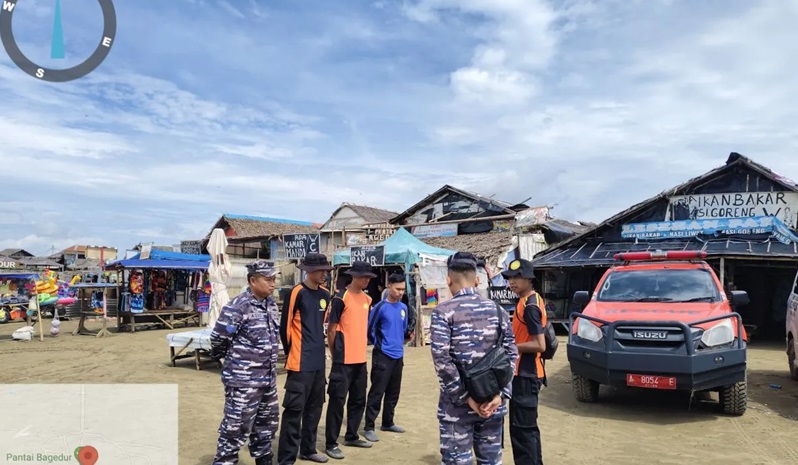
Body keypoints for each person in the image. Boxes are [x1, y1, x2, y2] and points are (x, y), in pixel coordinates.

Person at [430, 252, 518, 465]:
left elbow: (442, 360)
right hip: (493, 403)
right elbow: (512, 354)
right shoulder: (499, 311)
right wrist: (501, 395)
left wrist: (466, 398)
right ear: (477, 280)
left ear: (448, 280)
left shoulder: (443, 312)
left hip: (457, 408)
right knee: (491, 461)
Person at [210, 260, 281, 465]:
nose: (273, 284)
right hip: (243, 383)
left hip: (267, 381)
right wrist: (235, 366)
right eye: (268, 279)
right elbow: (218, 340)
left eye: (274, 279)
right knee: (235, 429)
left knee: (266, 429)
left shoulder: (271, 305)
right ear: (252, 280)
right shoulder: (238, 307)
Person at [277, 253, 334, 464]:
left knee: (315, 408)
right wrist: (292, 352)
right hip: (299, 362)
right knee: (294, 412)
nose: (324, 275)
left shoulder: (325, 294)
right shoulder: (296, 293)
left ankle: (308, 449)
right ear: (308, 271)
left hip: (318, 362)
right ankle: (286, 458)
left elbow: (321, 326)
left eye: (326, 271)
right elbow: (285, 327)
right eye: (321, 271)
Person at [324, 261, 376, 459]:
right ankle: (331, 442)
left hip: (360, 359)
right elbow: (331, 329)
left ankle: (352, 435)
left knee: (358, 400)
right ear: (354, 276)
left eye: (368, 277)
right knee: (337, 402)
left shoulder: (367, 299)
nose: (366, 280)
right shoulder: (340, 298)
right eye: (363, 277)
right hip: (342, 359)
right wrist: (334, 352)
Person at [501, 258, 546, 465]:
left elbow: (539, 345)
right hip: (525, 374)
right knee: (526, 430)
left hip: (527, 375)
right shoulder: (527, 300)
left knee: (522, 431)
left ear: (529, 278)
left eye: (517, 277)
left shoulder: (530, 306)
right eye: (510, 278)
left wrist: (509, 347)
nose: (512, 282)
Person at [362, 273, 408, 443]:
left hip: (398, 356)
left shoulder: (404, 308)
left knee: (393, 392)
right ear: (389, 287)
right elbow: (370, 329)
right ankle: (369, 426)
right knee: (377, 391)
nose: (400, 292)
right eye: (398, 289)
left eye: (403, 289)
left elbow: (403, 329)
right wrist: (380, 344)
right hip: (382, 356)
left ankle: (388, 422)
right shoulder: (379, 307)